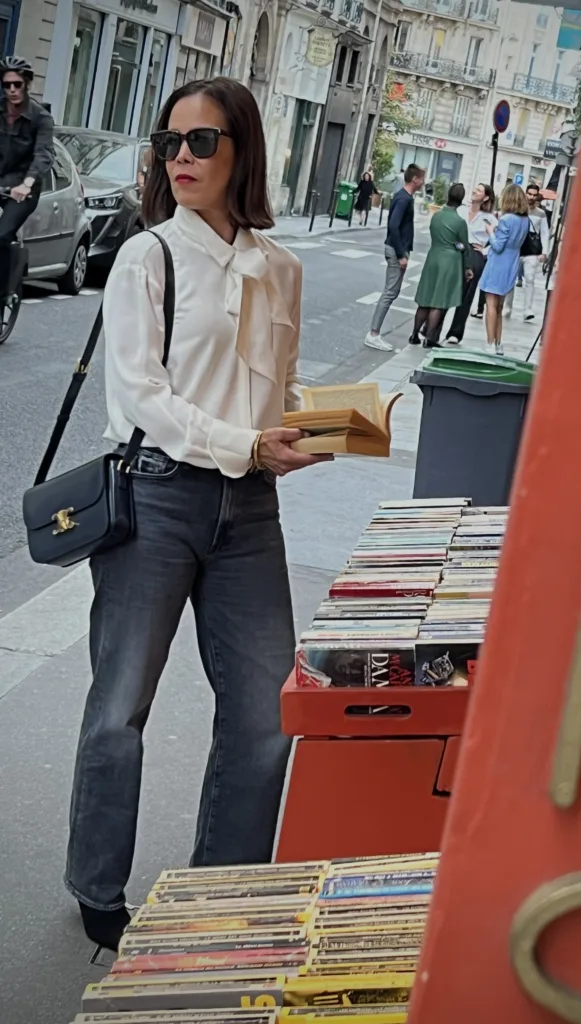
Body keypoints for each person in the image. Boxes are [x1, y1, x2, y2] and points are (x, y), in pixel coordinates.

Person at [64, 77, 332, 952]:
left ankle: (217, 895)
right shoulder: (150, 257)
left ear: (241, 151)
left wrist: (315, 430)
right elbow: (142, 396)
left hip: (250, 511)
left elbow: (278, 390)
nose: (181, 156)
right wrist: (246, 444)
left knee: (266, 714)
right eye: (170, 141)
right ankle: (98, 889)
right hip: (157, 497)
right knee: (119, 707)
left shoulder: (280, 267)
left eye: (202, 141)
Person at [0, 56, 54, 301]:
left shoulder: (41, 118)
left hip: (22, 188)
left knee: (2, 235)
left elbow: (43, 153)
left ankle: (4, 291)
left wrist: (27, 184)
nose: (12, 90)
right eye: (6, 85)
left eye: (17, 84)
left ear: (27, 84)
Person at [364, 162, 425, 352]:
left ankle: (374, 333)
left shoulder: (404, 197)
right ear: (415, 179)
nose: (424, 182)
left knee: (392, 291)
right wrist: (401, 255)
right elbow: (393, 226)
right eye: (422, 178)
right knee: (390, 292)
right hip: (396, 250)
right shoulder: (404, 199)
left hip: (397, 249)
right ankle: (373, 334)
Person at [409, 183, 471, 348]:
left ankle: (414, 334)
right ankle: (429, 338)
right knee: (439, 301)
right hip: (449, 261)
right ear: (461, 200)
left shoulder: (436, 216)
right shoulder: (459, 222)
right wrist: (465, 260)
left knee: (425, 298)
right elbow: (464, 245)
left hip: (433, 256)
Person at [478, 183, 529, 355]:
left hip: (498, 262)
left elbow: (498, 246)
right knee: (499, 306)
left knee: (490, 304)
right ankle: (498, 343)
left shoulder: (507, 219)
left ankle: (490, 343)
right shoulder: (525, 220)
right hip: (512, 261)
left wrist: (491, 231)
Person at [444, 183, 495, 345]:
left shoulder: (489, 218)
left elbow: (499, 240)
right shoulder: (460, 210)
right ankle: (432, 327)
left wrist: (484, 251)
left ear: (486, 197)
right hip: (456, 250)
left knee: (466, 295)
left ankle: (455, 333)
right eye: (476, 189)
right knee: (446, 290)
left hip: (474, 253)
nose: (475, 191)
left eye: (479, 190)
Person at [504, 182, 550, 322]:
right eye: (529, 194)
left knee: (530, 279)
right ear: (525, 194)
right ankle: (507, 307)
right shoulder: (516, 210)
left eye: (534, 195)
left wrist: (545, 252)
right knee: (510, 279)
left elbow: (545, 234)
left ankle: (527, 310)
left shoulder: (541, 213)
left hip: (532, 251)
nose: (531, 197)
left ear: (537, 197)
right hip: (516, 249)